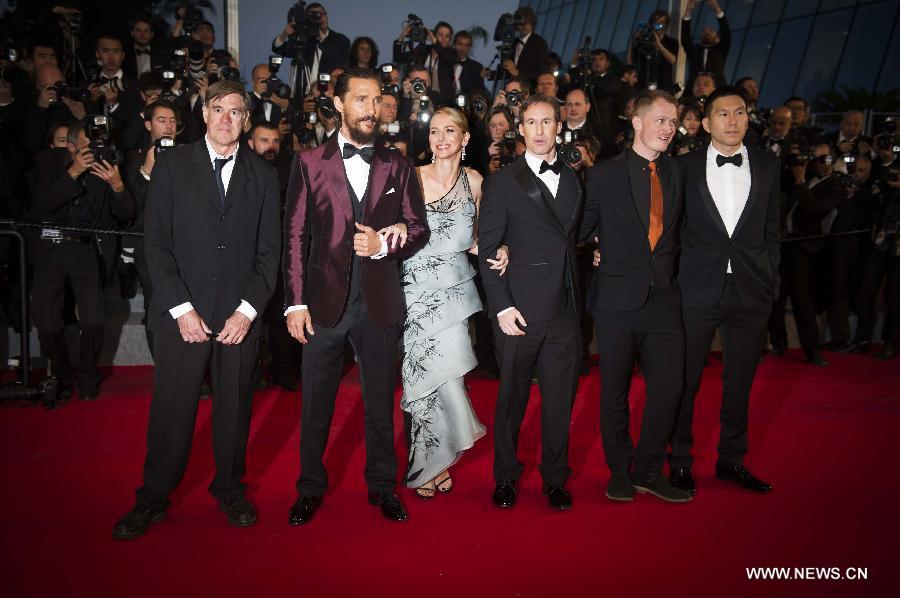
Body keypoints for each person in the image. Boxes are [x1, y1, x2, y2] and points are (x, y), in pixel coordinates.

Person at [112, 80, 282, 540]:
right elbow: (157, 246)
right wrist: (182, 309)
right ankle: (152, 497)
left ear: (246, 120)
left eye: (236, 111)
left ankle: (230, 490)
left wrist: (247, 311)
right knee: (172, 409)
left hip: (237, 319)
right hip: (181, 315)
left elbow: (270, 254)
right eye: (218, 109)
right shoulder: (170, 166)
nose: (227, 119)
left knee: (234, 409)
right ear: (204, 114)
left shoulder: (265, 177)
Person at [283, 68, 429, 525]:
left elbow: (418, 228)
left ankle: (383, 487)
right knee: (316, 404)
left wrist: (385, 243)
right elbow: (294, 236)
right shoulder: (309, 163)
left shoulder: (398, 164)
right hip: (324, 304)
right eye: (361, 100)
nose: (371, 109)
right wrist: (295, 302)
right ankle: (309, 488)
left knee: (381, 405)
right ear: (339, 104)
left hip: (379, 301)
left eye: (376, 100)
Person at [580, 89, 691, 504]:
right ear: (637, 123)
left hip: (664, 299)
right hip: (615, 301)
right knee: (615, 391)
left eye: (672, 121)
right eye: (660, 120)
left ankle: (648, 468)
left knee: (669, 388)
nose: (668, 128)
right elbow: (582, 228)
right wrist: (595, 242)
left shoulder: (678, 172)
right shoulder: (604, 174)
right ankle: (620, 470)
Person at [668, 86, 781, 496]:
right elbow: (673, 233)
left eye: (739, 113)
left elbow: (772, 231)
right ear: (705, 120)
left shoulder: (768, 165)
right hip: (696, 290)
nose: (732, 122)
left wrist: (771, 283)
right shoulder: (684, 166)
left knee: (740, 382)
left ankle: (732, 459)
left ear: (748, 118)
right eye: (723, 114)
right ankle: (679, 459)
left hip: (751, 291)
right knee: (685, 380)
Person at [478, 94, 583, 511]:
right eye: (531, 123)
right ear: (520, 130)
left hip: (565, 311)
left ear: (559, 127)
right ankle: (506, 475)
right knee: (511, 400)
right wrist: (501, 307)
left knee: (560, 402)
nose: (540, 131)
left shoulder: (575, 179)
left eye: (547, 122)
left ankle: (555, 477)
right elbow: (488, 247)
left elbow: (574, 235)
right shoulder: (503, 181)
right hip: (518, 311)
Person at [401, 107, 507, 498]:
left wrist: (503, 250)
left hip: (456, 292)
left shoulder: (476, 182)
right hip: (415, 292)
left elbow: (481, 237)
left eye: (450, 131)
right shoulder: (411, 178)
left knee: (450, 377)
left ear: (465, 139)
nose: (441, 137)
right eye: (434, 131)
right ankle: (425, 464)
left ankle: (441, 458)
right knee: (423, 381)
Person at [25, 122, 136, 401]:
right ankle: (62, 375)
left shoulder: (104, 168)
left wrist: (118, 185)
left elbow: (126, 214)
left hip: (84, 250)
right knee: (47, 322)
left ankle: (88, 377)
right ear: (72, 146)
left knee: (94, 319)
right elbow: (39, 209)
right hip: (49, 251)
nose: (95, 150)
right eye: (89, 145)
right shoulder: (49, 165)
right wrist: (73, 172)